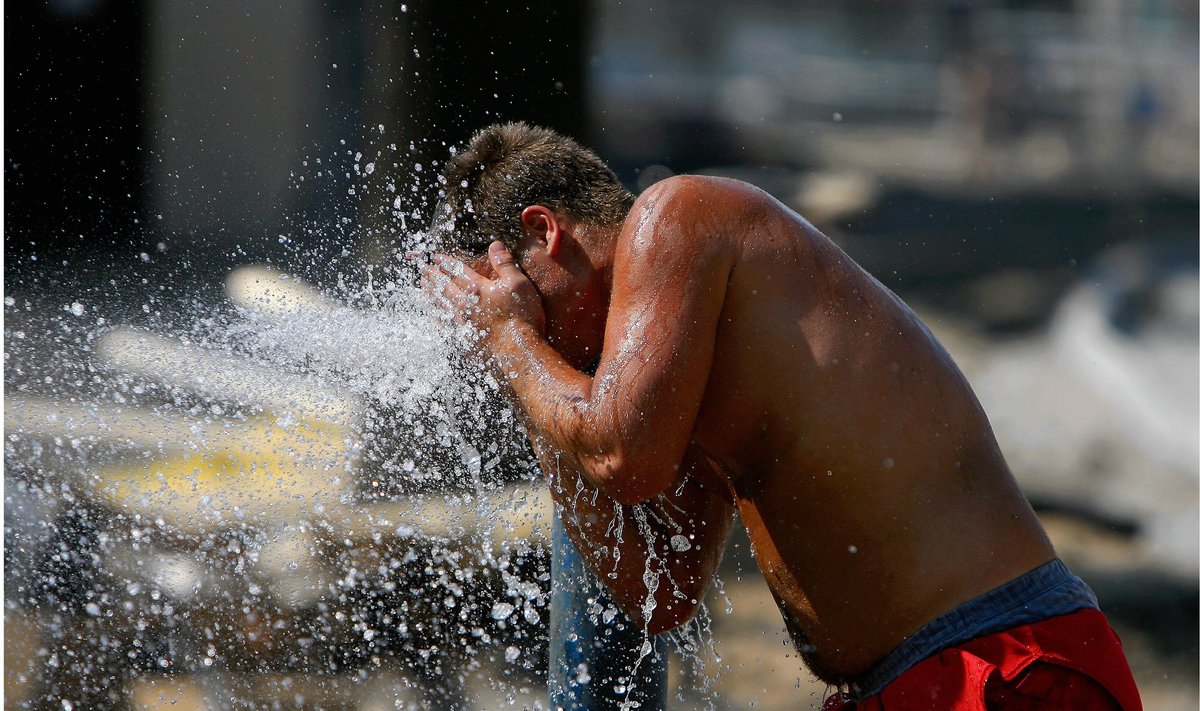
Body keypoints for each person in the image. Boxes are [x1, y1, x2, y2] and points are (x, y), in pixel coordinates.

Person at [426, 122, 1142, 709]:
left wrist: (513, 345)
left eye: (529, 305)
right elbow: (663, 591)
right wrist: (525, 374)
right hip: (914, 676)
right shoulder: (664, 368)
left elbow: (623, 455)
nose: (535, 338)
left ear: (544, 232)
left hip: (1001, 657)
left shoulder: (674, 216)